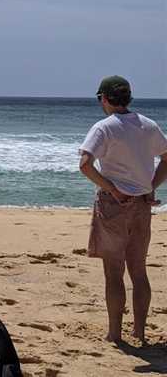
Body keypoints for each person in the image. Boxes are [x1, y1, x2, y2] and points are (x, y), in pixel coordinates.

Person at [79, 75, 167, 343]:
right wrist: (151, 186)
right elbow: (166, 157)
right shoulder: (148, 125)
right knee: (138, 269)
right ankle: (140, 331)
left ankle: (115, 333)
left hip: (114, 204)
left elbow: (85, 164)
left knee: (113, 271)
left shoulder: (104, 128)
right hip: (141, 203)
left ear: (104, 98)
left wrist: (113, 189)